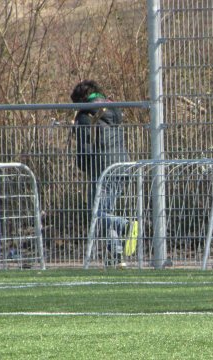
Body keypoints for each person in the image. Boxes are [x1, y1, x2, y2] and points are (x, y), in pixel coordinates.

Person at [71, 79, 132, 267]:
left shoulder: (84, 115)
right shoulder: (112, 108)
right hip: (123, 166)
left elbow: (85, 148)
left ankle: (126, 226)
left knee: (96, 211)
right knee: (105, 211)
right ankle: (116, 255)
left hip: (102, 168)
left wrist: (83, 166)